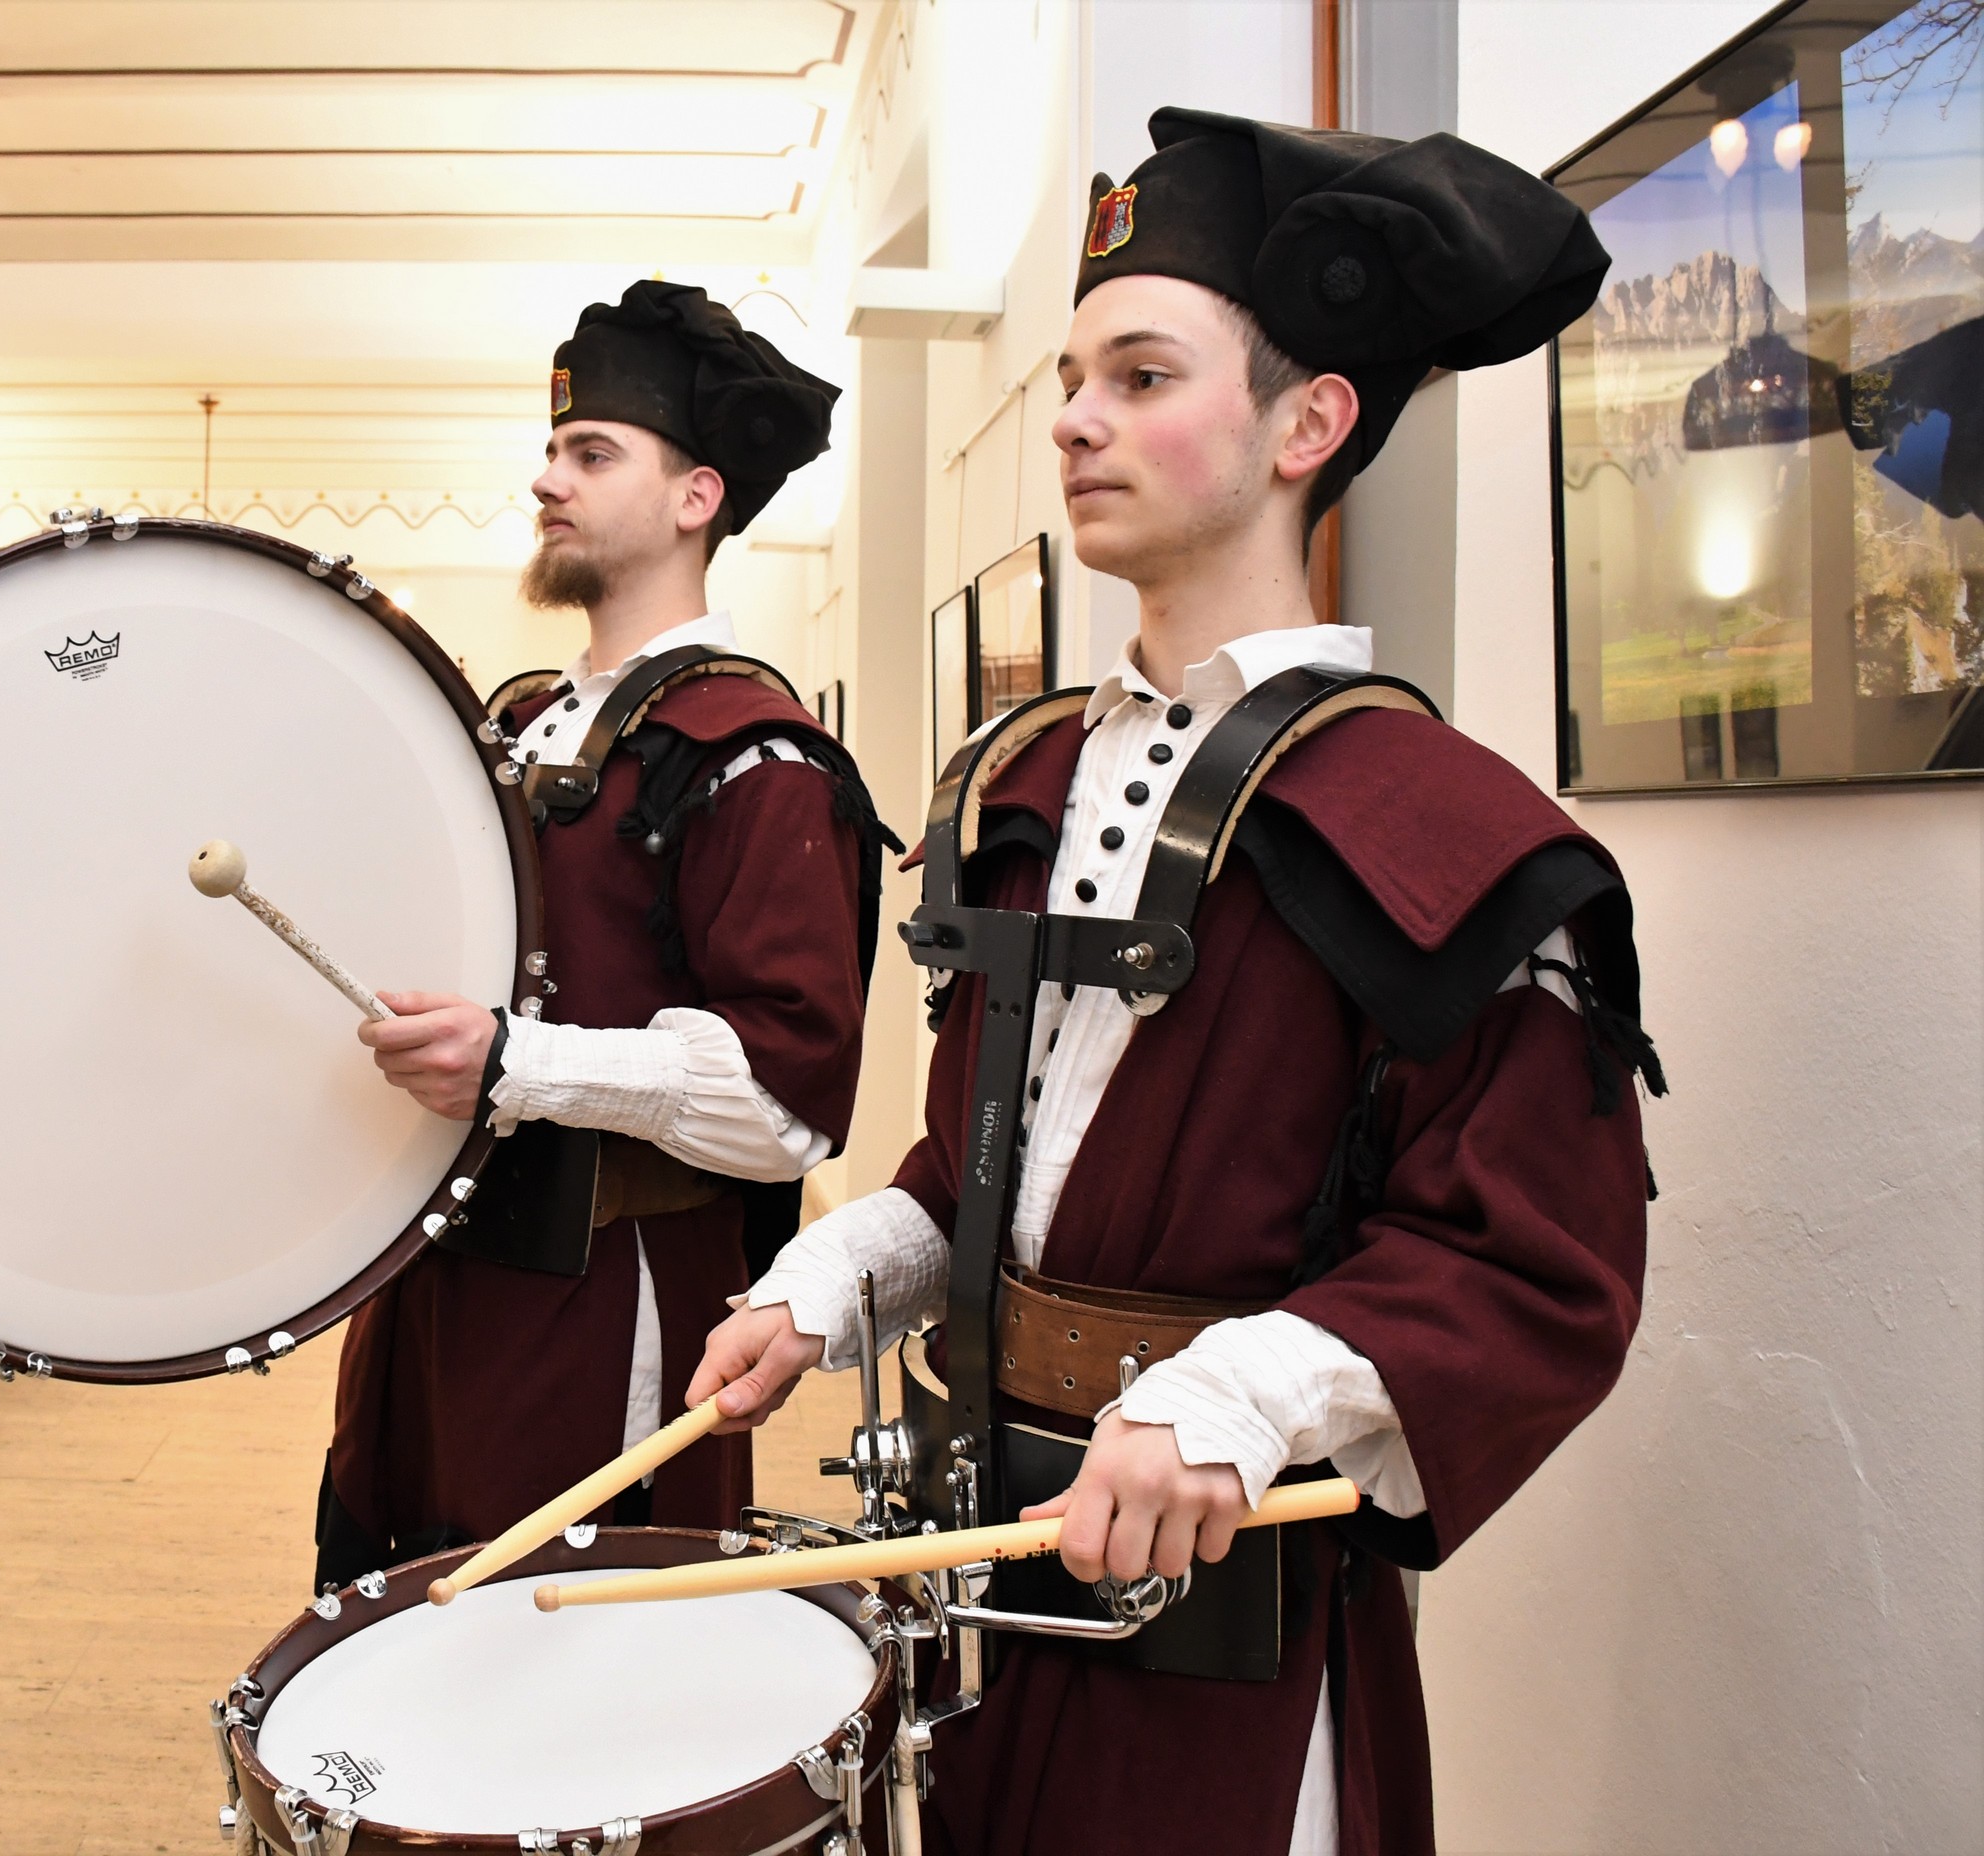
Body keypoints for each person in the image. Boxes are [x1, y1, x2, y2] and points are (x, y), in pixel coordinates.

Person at [687, 110, 1663, 1854]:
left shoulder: (1458, 837)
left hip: (1232, 1643)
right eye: (1073, 382)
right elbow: (972, 1178)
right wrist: (840, 1275)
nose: (1074, 419)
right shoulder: (1019, 787)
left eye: (1141, 378)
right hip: (977, 1592)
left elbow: (1530, 1269)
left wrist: (1242, 1396)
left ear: (1308, 424)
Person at [316, 281, 893, 1592]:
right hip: (435, 1281)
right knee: (397, 1614)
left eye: (592, 454)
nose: (547, 481)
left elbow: (788, 1104)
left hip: (603, 1298)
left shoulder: (758, 759)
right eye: (551, 451)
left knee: (559, 1636)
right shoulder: (518, 726)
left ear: (697, 496)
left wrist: (518, 1065)